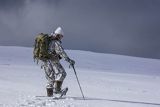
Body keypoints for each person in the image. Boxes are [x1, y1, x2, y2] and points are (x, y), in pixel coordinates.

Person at [42, 27, 75, 97]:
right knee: (62, 73)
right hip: (53, 60)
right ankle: (57, 90)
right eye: (61, 36)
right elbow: (61, 52)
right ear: (58, 35)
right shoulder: (55, 42)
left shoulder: (49, 41)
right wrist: (69, 60)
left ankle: (50, 96)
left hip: (45, 61)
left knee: (50, 78)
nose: (61, 38)